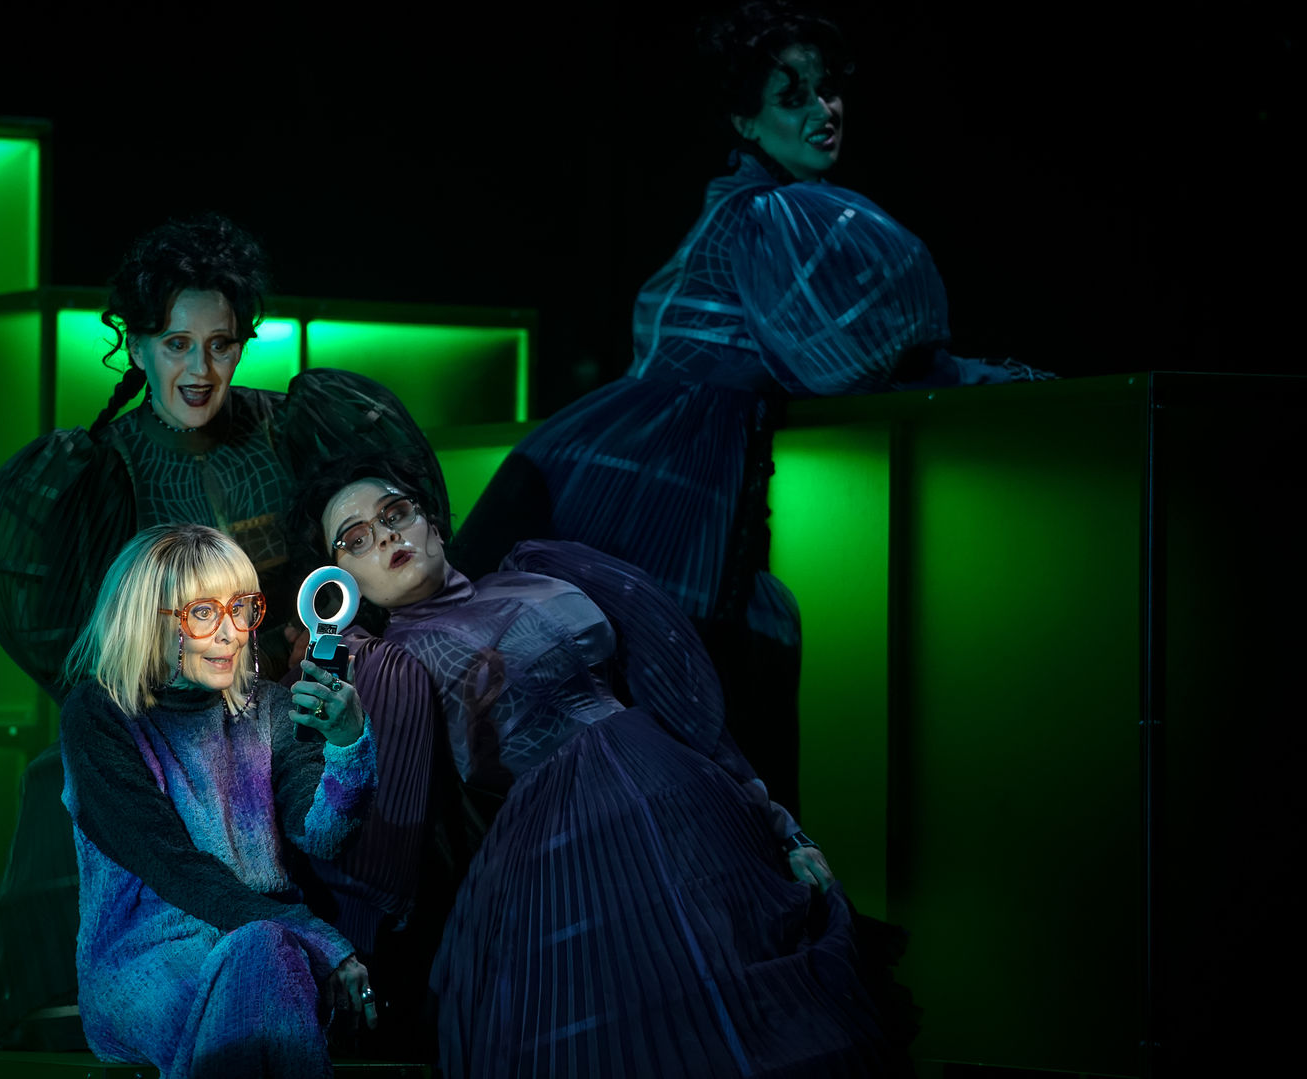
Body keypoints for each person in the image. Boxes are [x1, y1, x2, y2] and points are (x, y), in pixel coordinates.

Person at [449, 1, 1052, 814]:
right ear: (744, 118)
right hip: (660, 484)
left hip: (653, 468)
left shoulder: (753, 207)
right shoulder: (770, 214)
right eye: (791, 95)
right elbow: (844, 361)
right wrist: (972, 377)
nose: (823, 110)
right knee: (684, 724)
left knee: (677, 719)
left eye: (828, 89)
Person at [0, 213, 445, 1049]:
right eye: (177, 344)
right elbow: (93, 641)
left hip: (282, 696)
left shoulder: (293, 425)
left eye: (220, 345)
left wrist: (314, 645)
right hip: (166, 716)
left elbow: (355, 541)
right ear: (136, 343)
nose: (199, 369)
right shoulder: (103, 469)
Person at [290, 454, 901, 1078]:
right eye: (356, 539)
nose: (385, 536)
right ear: (342, 579)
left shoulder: (546, 572)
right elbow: (375, 828)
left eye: (396, 513)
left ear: (432, 522)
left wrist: (782, 827)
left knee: (764, 1011)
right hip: (564, 853)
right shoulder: (382, 667)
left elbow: (684, 713)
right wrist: (343, 947)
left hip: (692, 811)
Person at [58, 522, 378, 1079]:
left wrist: (347, 743)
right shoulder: (100, 715)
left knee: (261, 951)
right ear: (147, 621)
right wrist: (320, 940)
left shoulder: (267, 708)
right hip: (148, 959)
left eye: (241, 608)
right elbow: (171, 864)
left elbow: (323, 834)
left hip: (271, 946)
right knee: (262, 951)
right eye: (203, 613)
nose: (231, 633)